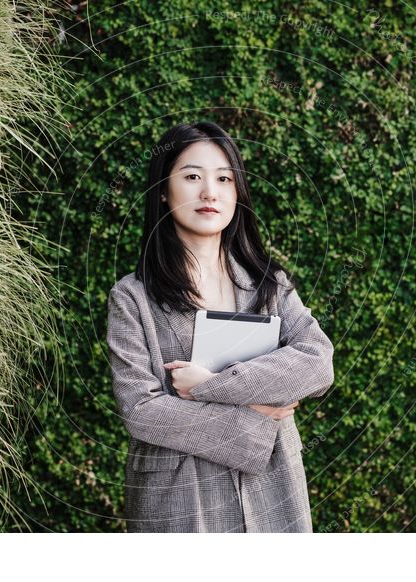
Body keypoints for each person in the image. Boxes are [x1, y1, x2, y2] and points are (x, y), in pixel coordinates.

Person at [106, 120, 335, 532]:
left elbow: (317, 364)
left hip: (273, 484)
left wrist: (206, 387)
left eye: (224, 179)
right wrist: (256, 414)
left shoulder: (269, 283)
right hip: (180, 494)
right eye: (192, 176)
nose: (209, 192)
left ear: (236, 193)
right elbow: (141, 410)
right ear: (163, 190)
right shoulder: (132, 296)